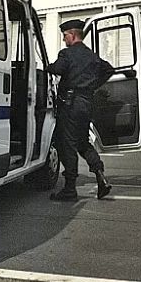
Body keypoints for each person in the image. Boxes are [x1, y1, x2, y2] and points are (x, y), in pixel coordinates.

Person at [46, 19, 114, 202]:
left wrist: (47, 66)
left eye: (65, 36)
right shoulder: (92, 56)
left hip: (70, 105)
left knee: (66, 144)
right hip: (86, 104)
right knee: (83, 142)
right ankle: (100, 174)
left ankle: (69, 189)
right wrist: (92, 86)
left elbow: (58, 69)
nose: (63, 40)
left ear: (73, 35)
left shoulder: (67, 54)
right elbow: (109, 70)